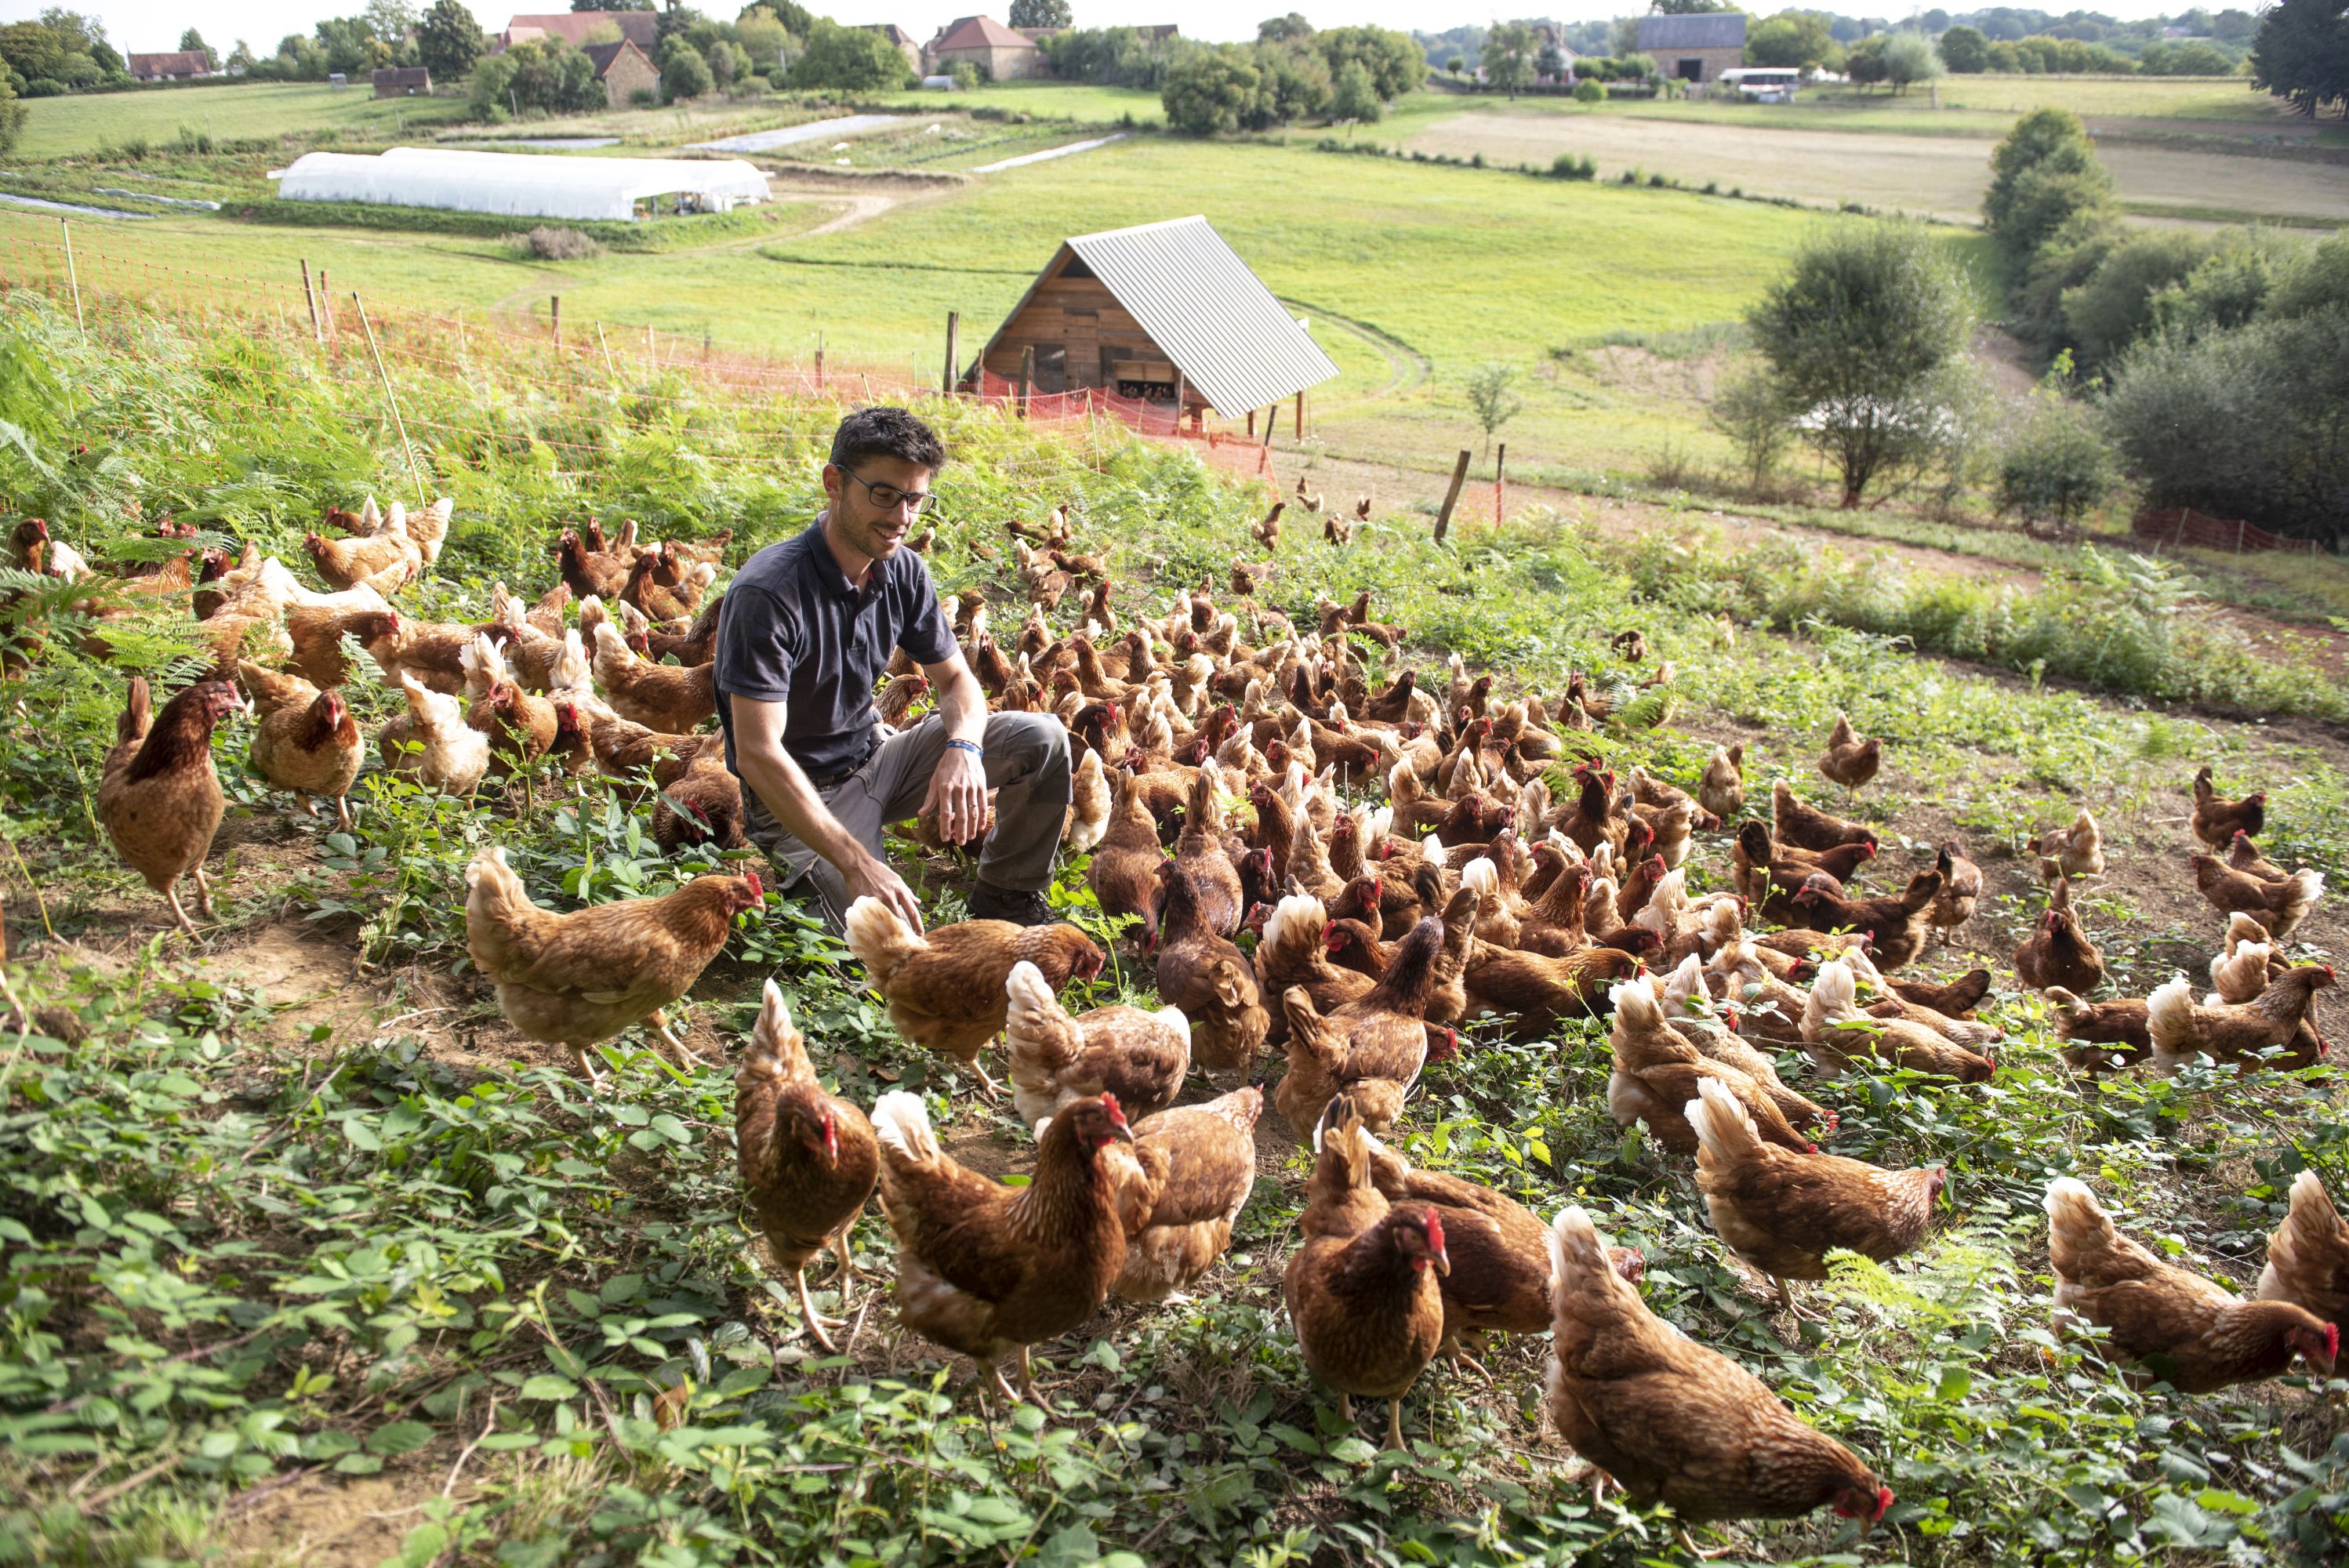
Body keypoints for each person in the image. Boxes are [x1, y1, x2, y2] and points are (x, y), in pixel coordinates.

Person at [715, 407, 1072, 932]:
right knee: (882, 946)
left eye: (915, 499)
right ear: (834, 483)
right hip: (799, 796)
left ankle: (1008, 896)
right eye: (884, 495)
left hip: (878, 759)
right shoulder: (770, 594)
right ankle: (833, 868)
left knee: (1042, 737)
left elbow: (956, 682)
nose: (902, 517)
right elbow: (759, 755)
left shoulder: (900, 568)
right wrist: (858, 863)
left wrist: (964, 749)